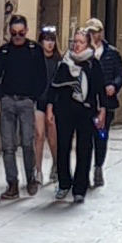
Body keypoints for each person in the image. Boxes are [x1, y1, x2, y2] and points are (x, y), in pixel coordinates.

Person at [0, 21, 47, 198]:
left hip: (26, 101)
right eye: (14, 33)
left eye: (21, 33)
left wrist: (32, 98)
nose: (18, 37)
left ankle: (30, 177)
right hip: (8, 101)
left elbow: (42, 77)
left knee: (28, 143)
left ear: (26, 31)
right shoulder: (4, 51)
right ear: (9, 32)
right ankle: (12, 183)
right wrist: (2, 97)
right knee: (8, 145)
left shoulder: (34, 50)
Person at [46, 31, 96, 199]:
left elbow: (99, 88)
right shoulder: (64, 63)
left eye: (81, 42)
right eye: (75, 42)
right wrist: (50, 108)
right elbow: (54, 87)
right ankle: (64, 182)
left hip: (86, 111)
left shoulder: (92, 64)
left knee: (84, 148)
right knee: (63, 147)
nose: (77, 45)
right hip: (65, 110)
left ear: (87, 44)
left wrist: (102, 110)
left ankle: (80, 188)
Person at [83, 26, 122, 185]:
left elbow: (120, 74)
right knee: (86, 139)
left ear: (101, 33)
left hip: (106, 103)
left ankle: (98, 167)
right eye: (90, 33)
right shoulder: (83, 53)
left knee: (101, 137)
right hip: (87, 103)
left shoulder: (112, 53)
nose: (92, 35)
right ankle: (84, 172)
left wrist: (114, 86)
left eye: (95, 32)